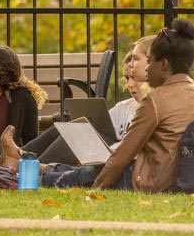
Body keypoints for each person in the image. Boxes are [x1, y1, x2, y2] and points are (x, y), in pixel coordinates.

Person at [18, 18, 194, 192]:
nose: (146, 69)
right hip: (186, 181)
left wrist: (97, 188)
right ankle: (41, 168)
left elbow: (123, 155)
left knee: (85, 176)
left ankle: (30, 175)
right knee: (90, 171)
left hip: (153, 182)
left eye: (150, 62)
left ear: (164, 64)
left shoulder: (156, 101)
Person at [20, 47, 150, 165]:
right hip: (104, 151)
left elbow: (129, 146)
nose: (130, 85)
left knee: (76, 136)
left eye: (135, 78)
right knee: (65, 129)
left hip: (114, 156)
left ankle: (30, 169)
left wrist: (88, 139)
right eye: (127, 79)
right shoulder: (124, 106)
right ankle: (16, 156)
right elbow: (104, 128)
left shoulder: (151, 110)